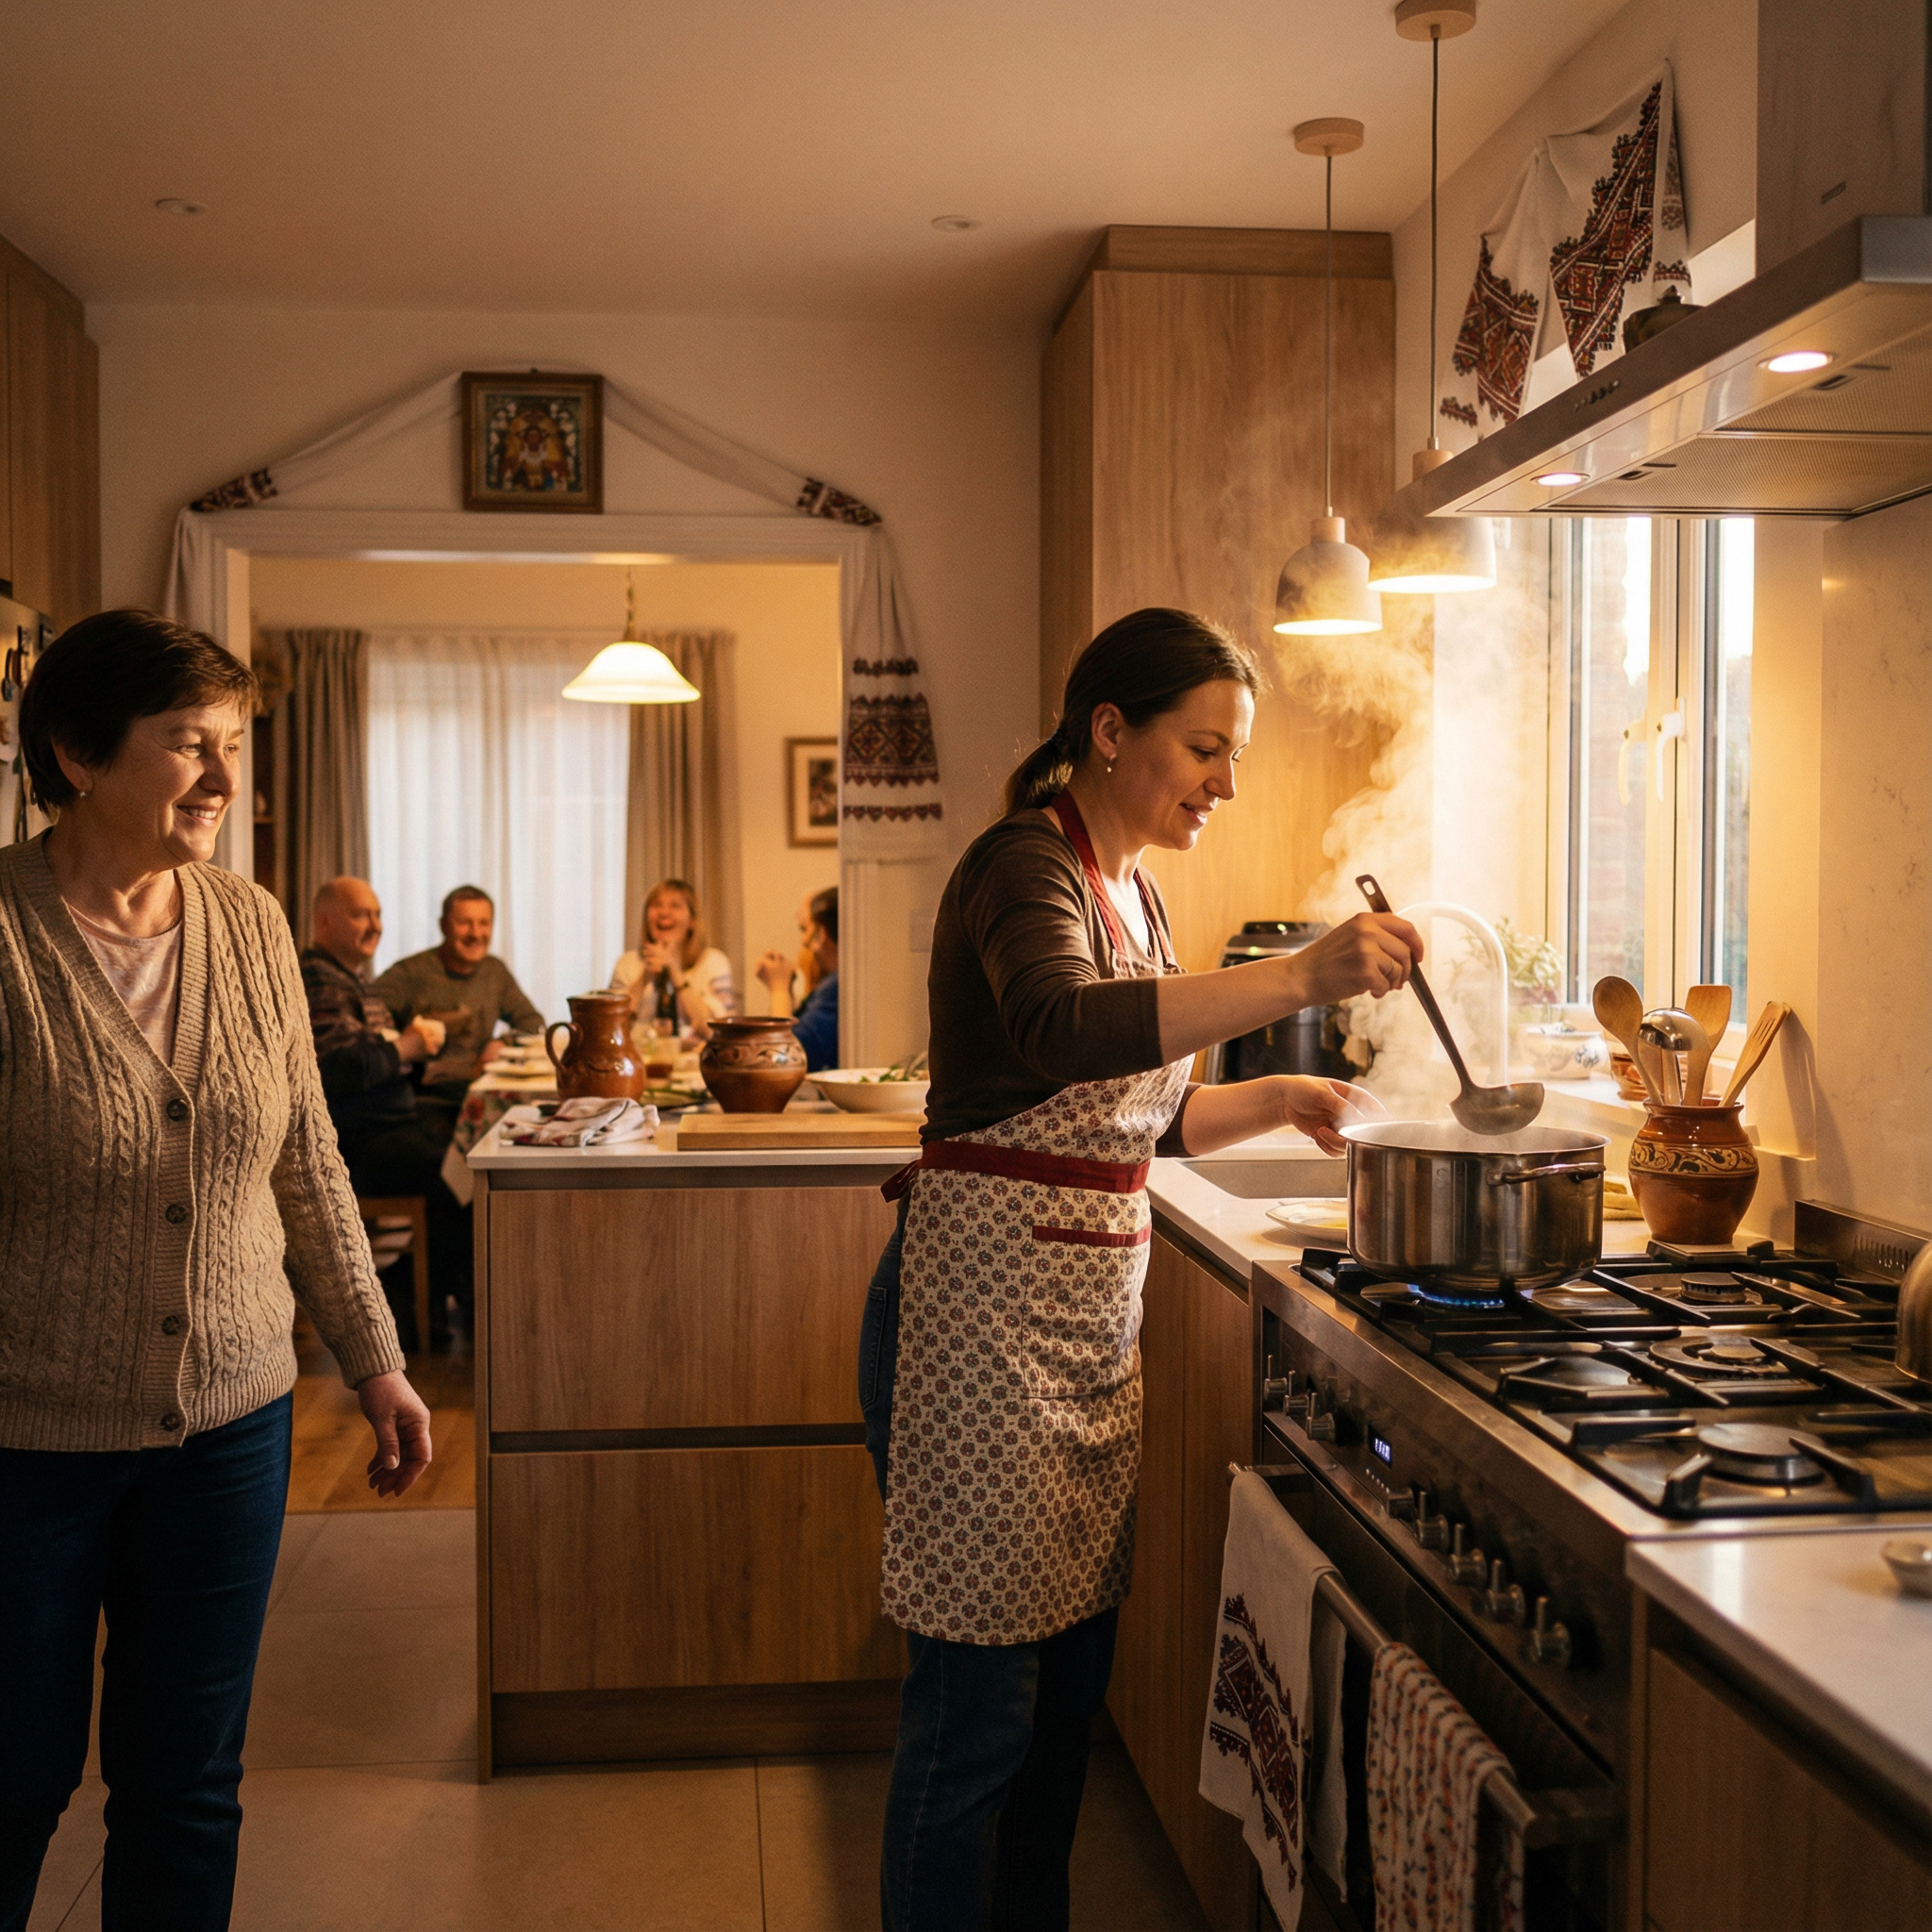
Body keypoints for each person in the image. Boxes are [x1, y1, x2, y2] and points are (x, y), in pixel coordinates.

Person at [858, 608, 1421, 1931]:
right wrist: (1297, 976)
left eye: (1234, 757)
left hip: (1080, 1344)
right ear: (1109, 731)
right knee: (975, 1721)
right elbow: (1060, 1029)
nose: (1225, 783)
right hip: (976, 1335)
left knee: (1060, 1717)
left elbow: (1128, 1116)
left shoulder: (1138, 889)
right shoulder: (1023, 864)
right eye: (1205, 749)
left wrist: (1274, 1098)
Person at [0, 608, 432, 1932]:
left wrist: (376, 1358)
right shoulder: (5, 932)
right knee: (11, 1780)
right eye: (191, 743)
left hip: (231, 1423)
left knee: (185, 1784)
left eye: (232, 743)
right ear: (80, 754)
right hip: (27, 1436)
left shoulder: (247, 925)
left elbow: (306, 1156)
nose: (225, 778)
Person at [302, 875, 474, 1349]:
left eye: (377, 914)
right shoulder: (319, 980)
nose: (375, 925)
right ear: (324, 921)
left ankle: (437, 1291)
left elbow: (377, 1060)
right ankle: (405, 1295)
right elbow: (338, 1070)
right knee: (463, 1172)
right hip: (355, 1141)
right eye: (361, 915)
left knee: (471, 1151)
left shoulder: (353, 976)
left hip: (388, 1124)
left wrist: (415, 1057)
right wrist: (407, 1047)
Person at [371, 884, 543, 1108]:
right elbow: (363, 1015)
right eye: (464, 923)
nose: (475, 934)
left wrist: (503, 1042)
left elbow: (533, 1022)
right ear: (443, 926)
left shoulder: (494, 971)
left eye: (484, 923)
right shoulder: (409, 972)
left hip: (476, 1094)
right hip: (423, 1101)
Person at [609, 877, 736, 1041]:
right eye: (657, 905)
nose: (664, 913)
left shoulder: (713, 961)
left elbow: (723, 1032)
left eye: (675, 905)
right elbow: (610, 1029)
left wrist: (675, 971)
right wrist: (645, 976)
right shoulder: (627, 964)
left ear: (692, 921)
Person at [757, 886, 839, 1072]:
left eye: (805, 929)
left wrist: (779, 989)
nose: (804, 941)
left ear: (822, 933)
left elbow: (782, 1059)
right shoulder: (834, 985)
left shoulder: (836, 987)